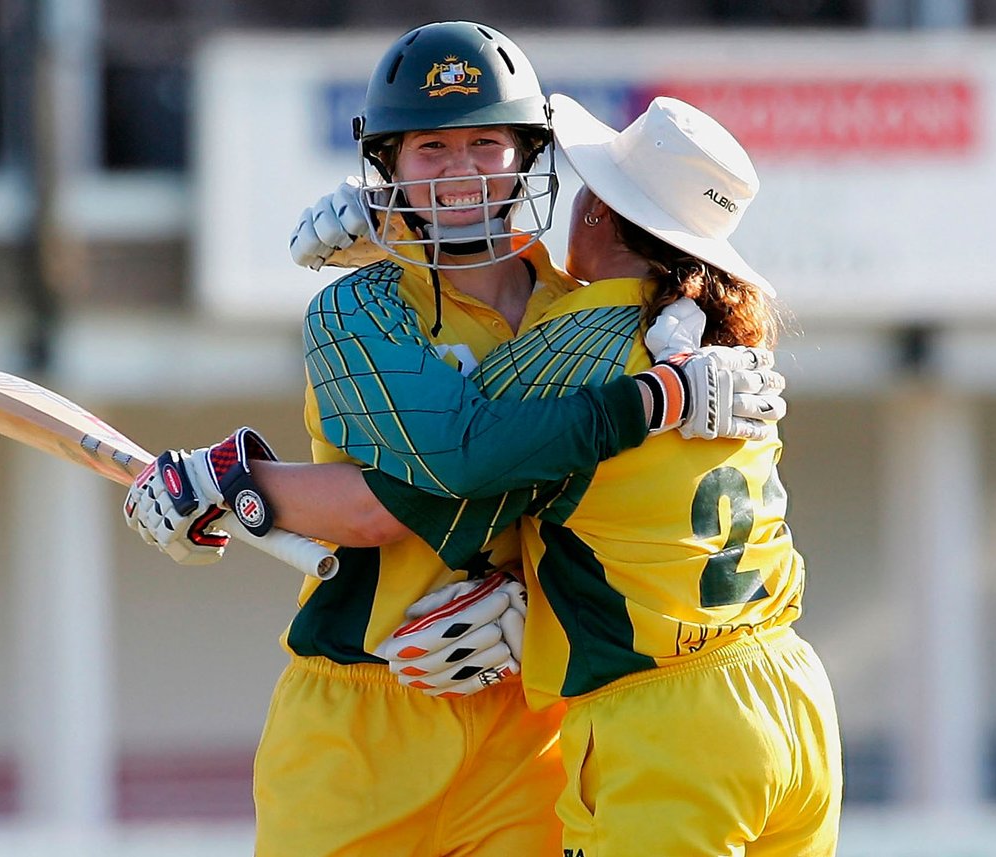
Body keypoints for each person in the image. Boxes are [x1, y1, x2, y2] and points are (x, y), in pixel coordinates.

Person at [123, 21, 787, 857]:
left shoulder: (576, 309)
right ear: (387, 166)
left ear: (527, 155)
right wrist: (239, 480)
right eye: (431, 149)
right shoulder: (357, 308)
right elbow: (396, 504)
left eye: (485, 144)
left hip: (526, 722)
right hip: (361, 715)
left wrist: (236, 482)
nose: (462, 172)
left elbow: (601, 507)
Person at [340, 94, 844, 856]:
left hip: (664, 722)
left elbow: (443, 453)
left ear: (601, 217)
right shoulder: (712, 327)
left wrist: (389, 247)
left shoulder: (568, 343)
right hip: (792, 696)